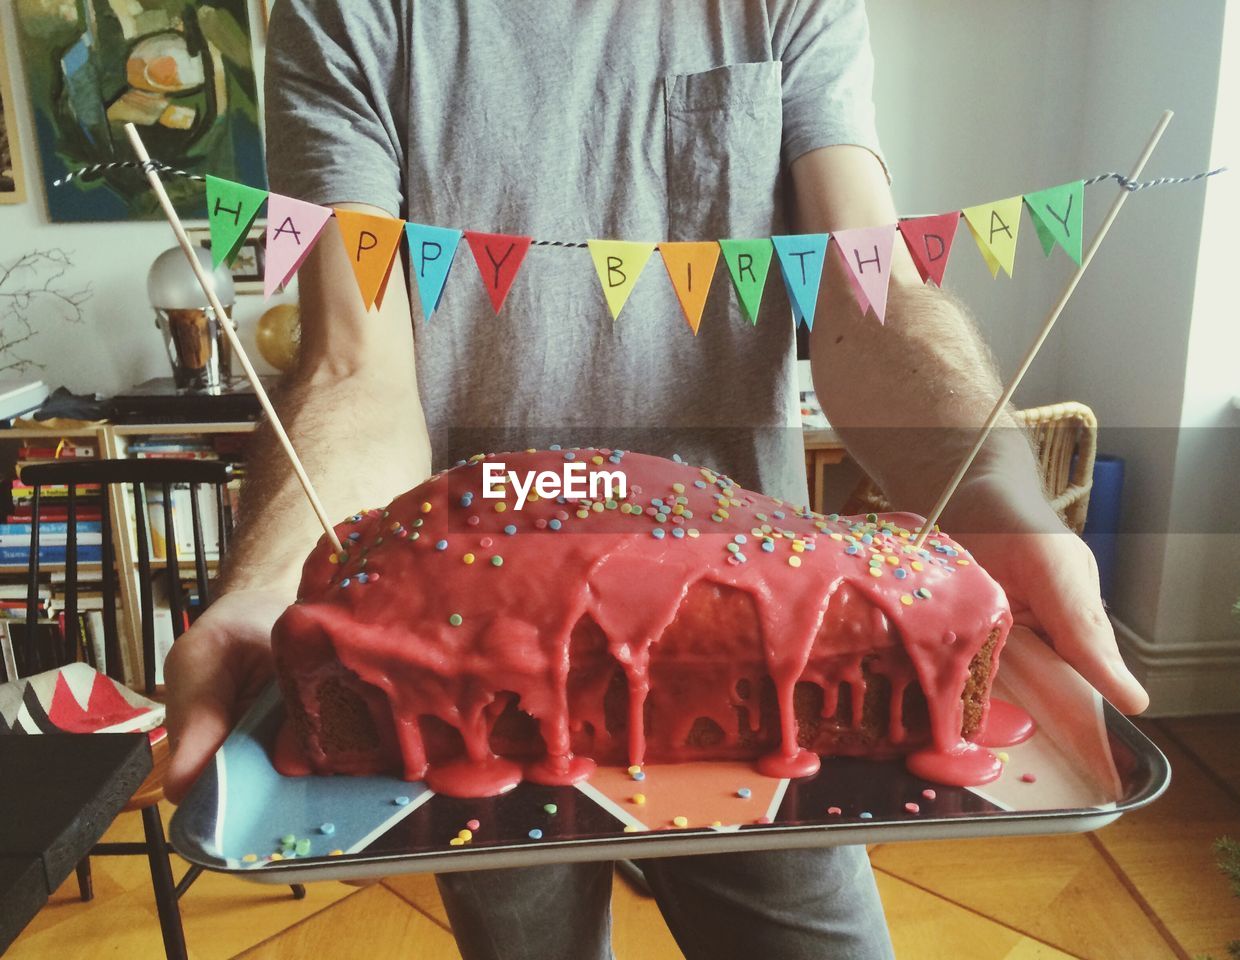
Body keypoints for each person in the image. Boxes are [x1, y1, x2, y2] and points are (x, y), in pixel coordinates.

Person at [162, 2, 1150, 958]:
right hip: (468, 665)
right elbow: (352, 364)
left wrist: (992, 493)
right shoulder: (348, 11)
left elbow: (872, 293)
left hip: (767, 654)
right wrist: (269, 582)